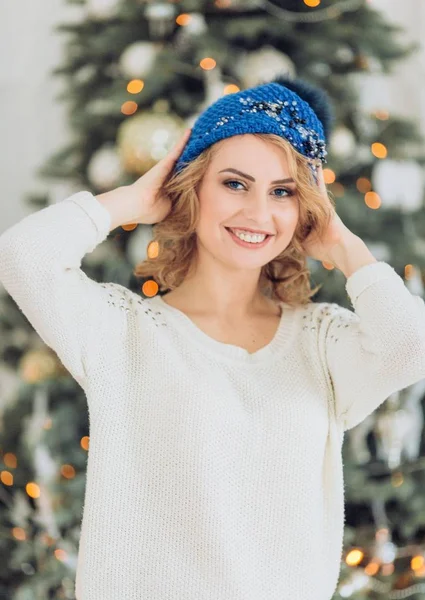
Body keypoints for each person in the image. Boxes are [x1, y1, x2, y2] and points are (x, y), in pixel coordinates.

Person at [1, 75, 425, 600]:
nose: (257, 213)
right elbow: (23, 257)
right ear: (194, 186)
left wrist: (343, 243)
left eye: (283, 192)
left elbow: (411, 345)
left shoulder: (322, 343)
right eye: (234, 183)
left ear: (305, 209)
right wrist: (132, 201)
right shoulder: (123, 331)